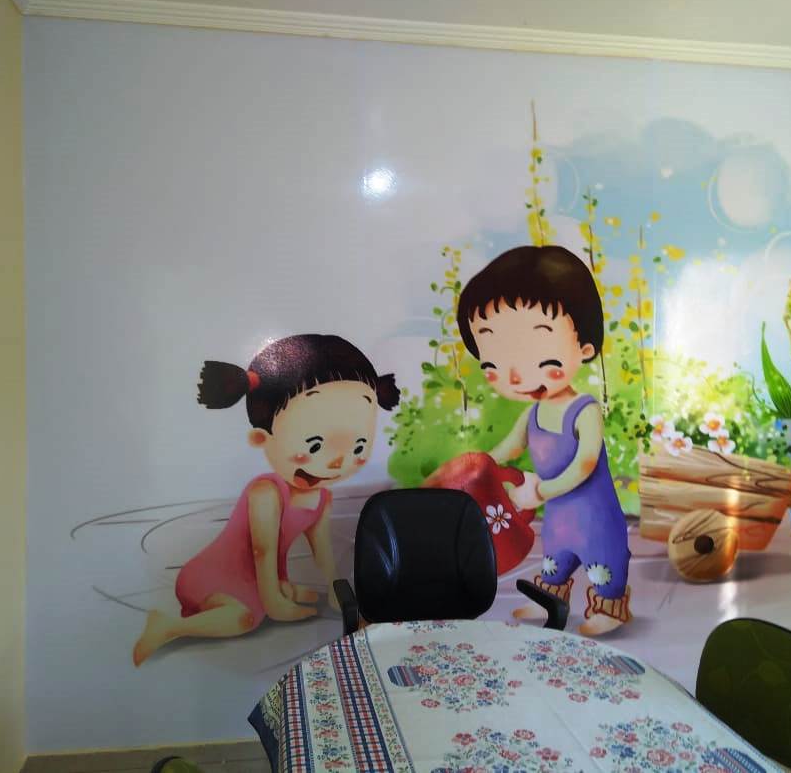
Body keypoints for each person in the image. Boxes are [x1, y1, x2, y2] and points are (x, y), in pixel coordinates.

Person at [133, 334, 399, 665]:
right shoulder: (266, 493)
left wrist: (335, 589)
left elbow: (322, 550)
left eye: (359, 446)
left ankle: (275, 592)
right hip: (214, 574)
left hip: (261, 577)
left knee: (304, 594)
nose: (337, 461)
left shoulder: (321, 497)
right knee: (245, 618)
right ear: (262, 438)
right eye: (315, 445)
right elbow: (263, 551)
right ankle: (167, 626)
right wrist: (274, 603)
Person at [457, 245, 632, 636]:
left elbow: (585, 463)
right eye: (494, 363)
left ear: (584, 348)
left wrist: (541, 490)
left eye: (537, 355)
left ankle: (610, 607)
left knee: (603, 563)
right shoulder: (532, 413)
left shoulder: (584, 410)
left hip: (595, 516)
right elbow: (508, 449)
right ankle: (550, 600)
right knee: (554, 560)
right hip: (558, 517)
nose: (515, 376)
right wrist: (477, 466)